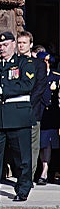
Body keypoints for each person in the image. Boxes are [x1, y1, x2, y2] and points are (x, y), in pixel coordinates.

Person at [0, 31, 36, 203]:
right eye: (0, 46)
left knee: (21, 157)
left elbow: (27, 85)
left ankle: (22, 189)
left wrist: (3, 90)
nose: (2, 48)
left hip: (17, 116)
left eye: (5, 45)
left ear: (13, 44)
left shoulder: (24, 63)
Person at [17, 31, 47, 183]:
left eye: (24, 43)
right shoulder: (13, 62)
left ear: (30, 45)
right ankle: (20, 174)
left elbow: (40, 86)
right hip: (15, 112)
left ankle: (28, 177)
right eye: (19, 42)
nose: (21, 46)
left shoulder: (38, 64)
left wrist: (27, 102)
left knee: (32, 146)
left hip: (32, 110)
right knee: (17, 146)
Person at [36, 52, 60, 185]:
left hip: (51, 115)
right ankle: (42, 170)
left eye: (47, 61)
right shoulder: (36, 77)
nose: (45, 64)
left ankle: (45, 171)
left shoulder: (56, 77)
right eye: (42, 61)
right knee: (40, 144)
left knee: (48, 144)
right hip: (39, 113)